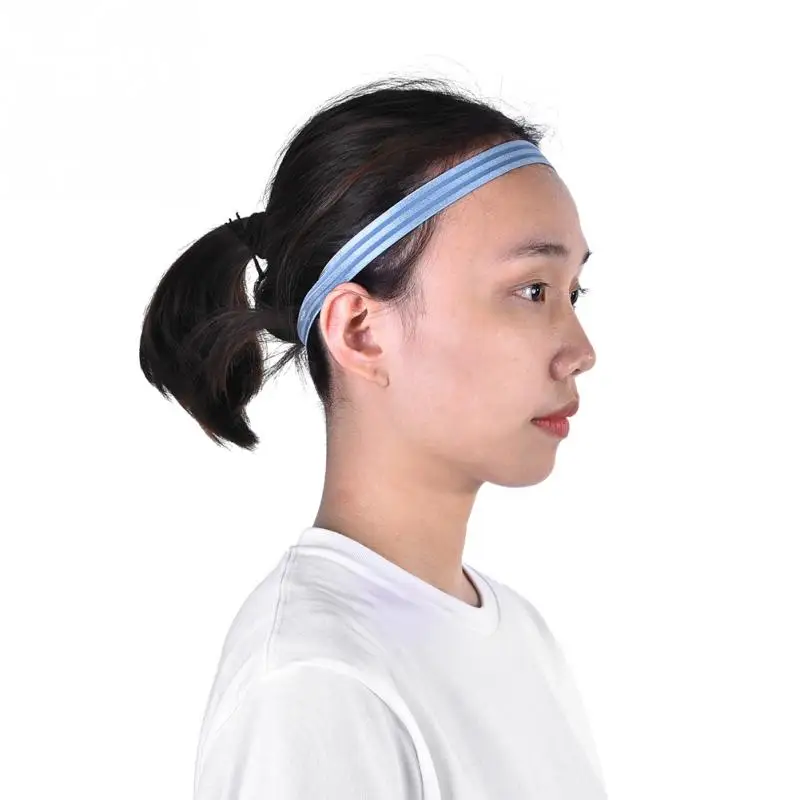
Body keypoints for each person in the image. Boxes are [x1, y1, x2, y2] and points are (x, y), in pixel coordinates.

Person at [139, 75, 605, 799]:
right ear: (360, 331)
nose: (581, 350)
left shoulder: (518, 634)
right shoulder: (315, 682)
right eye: (532, 290)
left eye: (573, 293)